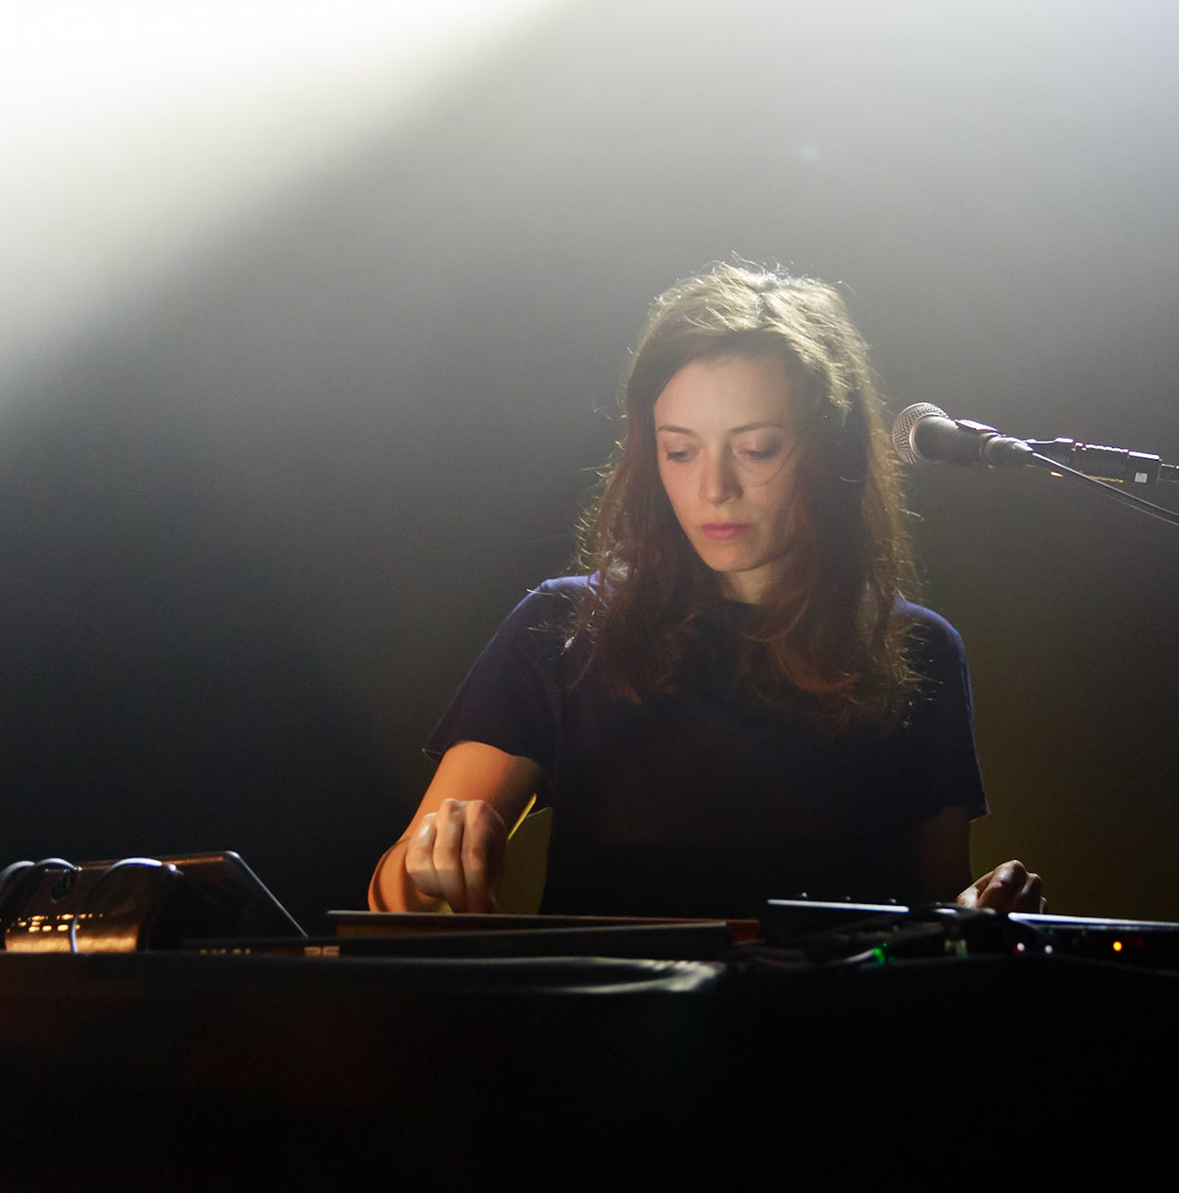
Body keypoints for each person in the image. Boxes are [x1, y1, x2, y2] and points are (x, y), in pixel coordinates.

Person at [368, 263, 1039, 919]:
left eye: (757, 449)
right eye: (681, 452)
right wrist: (432, 861)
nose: (713, 489)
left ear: (833, 448)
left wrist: (974, 916)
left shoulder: (916, 649)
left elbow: (931, 921)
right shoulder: (564, 629)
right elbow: (393, 899)